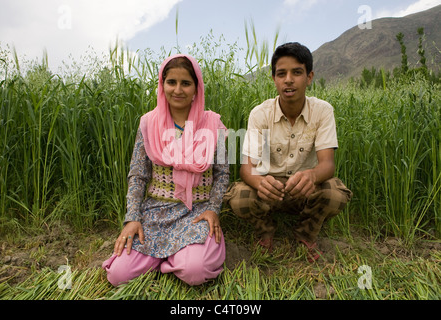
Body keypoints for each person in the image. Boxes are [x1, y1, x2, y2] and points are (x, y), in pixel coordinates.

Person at [102, 54, 230, 286]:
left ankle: (178, 258)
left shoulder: (213, 124)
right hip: (155, 212)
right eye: (171, 82)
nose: (178, 90)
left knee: (195, 272)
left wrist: (213, 209)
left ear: (196, 87)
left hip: (196, 213)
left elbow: (222, 174)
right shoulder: (148, 124)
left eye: (186, 83)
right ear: (162, 85)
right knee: (118, 275)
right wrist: (132, 218)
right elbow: (138, 175)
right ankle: (171, 259)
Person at [224, 42, 353, 262]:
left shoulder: (322, 111)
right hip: (270, 191)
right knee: (238, 197)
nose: (289, 79)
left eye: (297, 72)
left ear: (309, 77)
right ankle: (265, 230)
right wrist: (260, 183)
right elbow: (247, 168)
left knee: (336, 193)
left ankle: (305, 233)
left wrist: (311, 176)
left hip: (305, 189)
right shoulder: (260, 114)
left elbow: (327, 164)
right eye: (281, 73)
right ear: (274, 79)